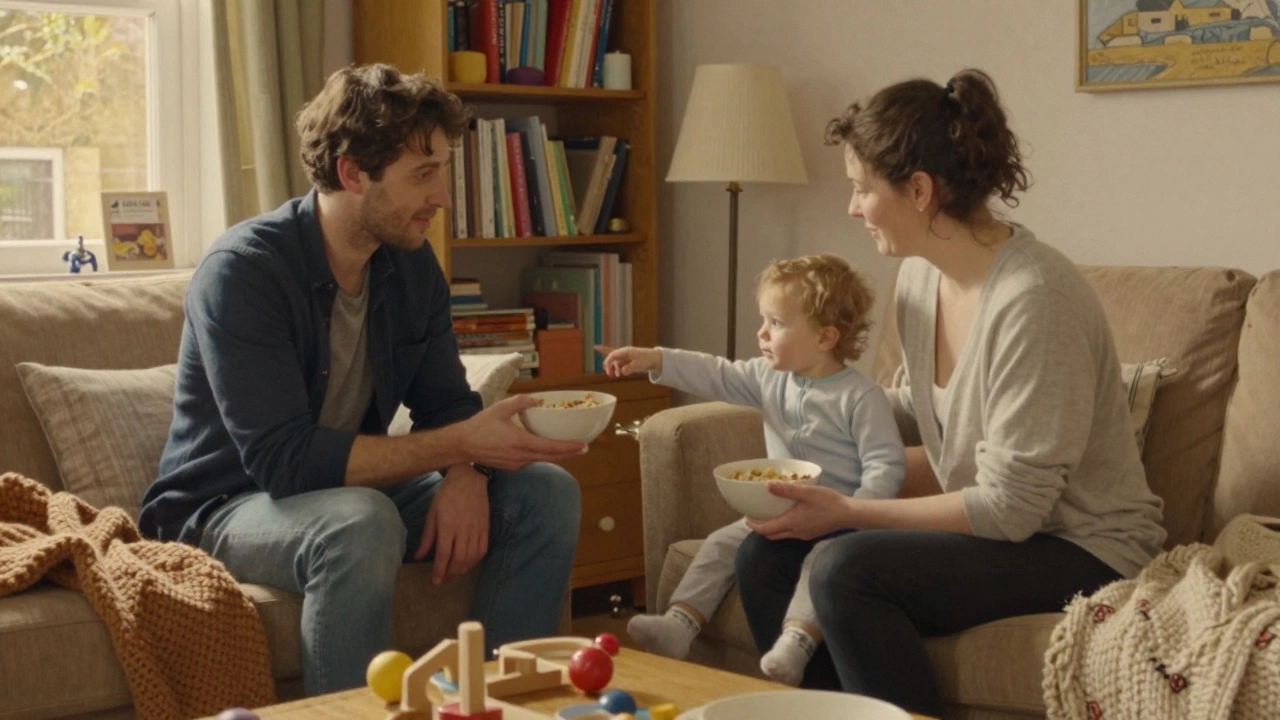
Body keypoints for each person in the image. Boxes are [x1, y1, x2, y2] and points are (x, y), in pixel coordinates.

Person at [138, 64, 587, 696]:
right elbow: (283, 461)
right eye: (422, 175)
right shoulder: (243, 272)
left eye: (443, 173)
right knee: (361, 522)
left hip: (348, 491)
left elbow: (446, 403)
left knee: (545, 493)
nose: (443, 198)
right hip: (225, 506)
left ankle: (501, 704)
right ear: (352, 173)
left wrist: (468, 472)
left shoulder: (410, 264)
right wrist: (461, 448)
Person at [731, 69, 1168, 717]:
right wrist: (819, 438)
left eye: (861, 189)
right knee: (766, 553)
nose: (851, 207)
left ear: (919, 190)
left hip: (1080, 544)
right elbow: (924, 412)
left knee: (843, 567)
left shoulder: (1034, 300)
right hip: (1007, 533)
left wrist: (845, 510)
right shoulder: (917, 279)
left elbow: (1011, 509)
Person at [600, 254, 905, 686]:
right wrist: (654, 359)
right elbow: (715, 372)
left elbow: (886, 464)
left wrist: (855, 510)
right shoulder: (769, 377)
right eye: (763, 320)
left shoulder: (860, 397)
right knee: (723, 542)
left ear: (825, 337)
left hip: (843, 520)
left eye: (777, 323)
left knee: (822, 561)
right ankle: (680, 623)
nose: (761, 333)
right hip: (778, 513)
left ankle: (796, 642)